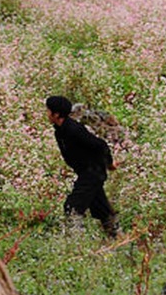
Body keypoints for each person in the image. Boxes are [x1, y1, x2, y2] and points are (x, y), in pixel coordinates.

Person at [45, 95, 119, 238]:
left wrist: (109, 163)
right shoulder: (59, 130)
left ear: (56, 114)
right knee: (101, 207)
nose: (47, 114)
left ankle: (76, 243)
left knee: (72, 207)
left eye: (48, 111)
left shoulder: (74, 130)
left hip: (92, 172)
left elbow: (100, 144)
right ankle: (118, 237)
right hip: (86, 171)